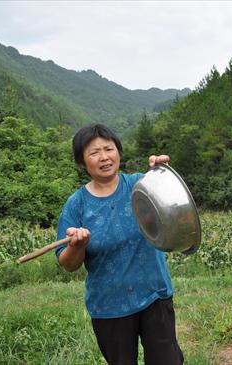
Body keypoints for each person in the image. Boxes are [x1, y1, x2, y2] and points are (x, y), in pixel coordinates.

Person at [55, 124, 184, 365]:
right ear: (82, 163)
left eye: (109, 149)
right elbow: (68, 263)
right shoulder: (77, 205)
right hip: (109, 306)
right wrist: (78, 245)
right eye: (94, 152)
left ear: (118, 153)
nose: (104, 157)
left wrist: (163, 171)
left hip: (154, 295)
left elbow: (173, 204)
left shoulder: (141, 186)